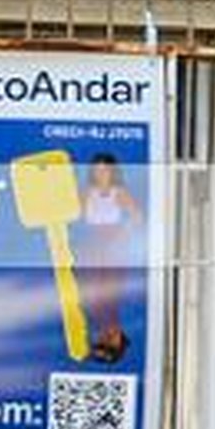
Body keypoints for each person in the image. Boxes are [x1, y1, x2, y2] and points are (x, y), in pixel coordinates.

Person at [72, 151, 144, 364]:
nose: (101, 174)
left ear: (113, 172)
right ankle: (108, 336)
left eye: (105, 170)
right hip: (92, 245)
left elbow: (137, 217)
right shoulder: (86, 193)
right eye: (97, 170)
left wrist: (122, 232)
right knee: (92, 296)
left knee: (109, 296)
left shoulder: (119, 193)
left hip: (113, 246)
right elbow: (74, 215)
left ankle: (112, 341)